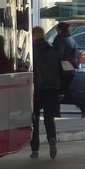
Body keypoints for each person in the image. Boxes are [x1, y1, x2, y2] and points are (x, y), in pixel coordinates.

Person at [30, 25, 61, 159]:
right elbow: (59, 70)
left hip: (36, 89)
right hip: (52, 88)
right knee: (49, 118)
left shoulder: (32, 50)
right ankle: (52, 138)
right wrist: (60, 90)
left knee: (34, 120)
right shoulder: (52, 49)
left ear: (33, 36)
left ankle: (35, 150)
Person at [53, 22, 82, 117]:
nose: (56, 30)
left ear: (60, 29)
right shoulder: (71, 39)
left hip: (62, 69)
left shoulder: (59, 39)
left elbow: (58, 55)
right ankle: (56, 112)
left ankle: (82, 105)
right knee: (63, 92)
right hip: (70, 68)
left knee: (58, 91)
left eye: (57, 29)